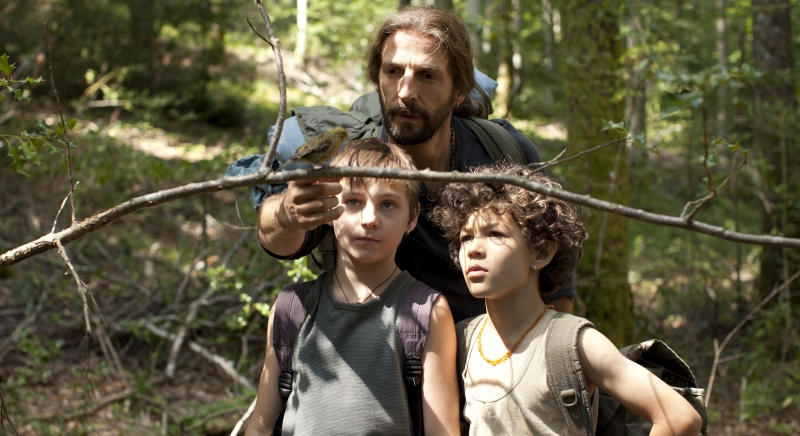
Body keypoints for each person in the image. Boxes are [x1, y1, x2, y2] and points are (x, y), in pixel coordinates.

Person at [255, 6, 575, 323]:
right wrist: (288, 213)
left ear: (459, 91)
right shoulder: (352, 160)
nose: (406, 92)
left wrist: (545, 349)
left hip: (494, 349)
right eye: (393, 72)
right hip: (386, 351)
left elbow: (557, 281)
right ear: (377, 79)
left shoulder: (504, 152)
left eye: (427, 76)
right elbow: (279, 243)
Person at [430, 164, 703, 436]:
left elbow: (680, 418)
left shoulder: (574, 342)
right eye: (466, 237)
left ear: (541, 253)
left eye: (495, 234)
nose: (473, 249)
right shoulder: (461, 340)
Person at [245, 139, 460, 436]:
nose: (369, 219)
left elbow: (443, 431)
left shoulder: (426, 311)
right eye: (354, 202)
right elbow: (260, 426)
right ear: (327, 209)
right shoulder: (292, 308)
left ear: (412, 217)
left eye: (388, 204)